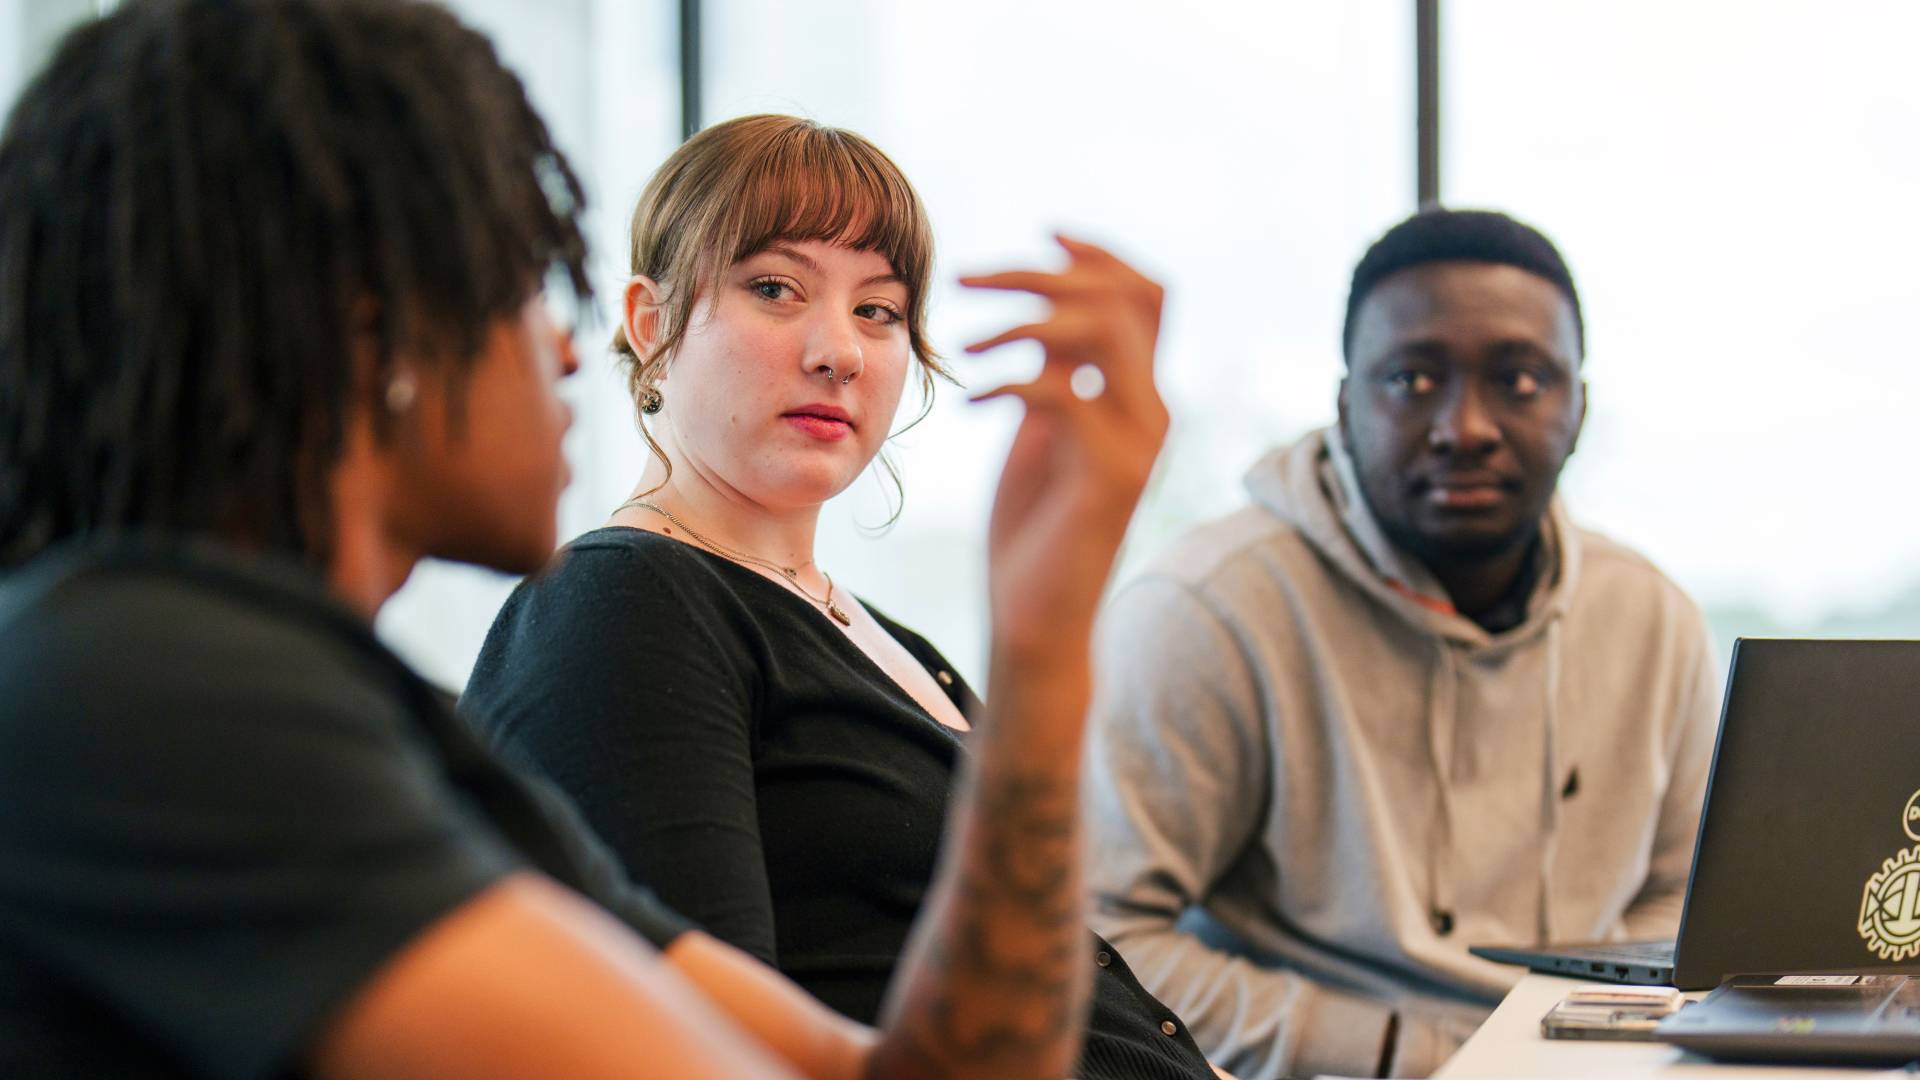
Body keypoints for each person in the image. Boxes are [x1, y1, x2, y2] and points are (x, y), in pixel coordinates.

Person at [0, 3, 1167, 1078]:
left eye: (878, 310)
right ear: (376, 330)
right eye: (524, 280)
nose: (567, 352)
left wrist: (1044, 637)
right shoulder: (140, 686)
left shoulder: (352, 717)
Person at [460, 114, 1218, 1080]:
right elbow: (698, 1046)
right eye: (775, 289)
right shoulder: (625, 601)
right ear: (650, 324)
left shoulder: (881, 636)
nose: (839, 352)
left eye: (880, 311)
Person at [1081, 209, 1722, 1079]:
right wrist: (1402, 1051)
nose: (1465, 427)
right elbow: (1096, 936)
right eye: (1414, 380)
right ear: (1346, 406)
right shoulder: (1206, 608)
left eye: (1521, 380)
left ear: (1579, 409)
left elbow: (1684, 902)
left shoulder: (1653, 618)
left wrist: (1573, 1044)